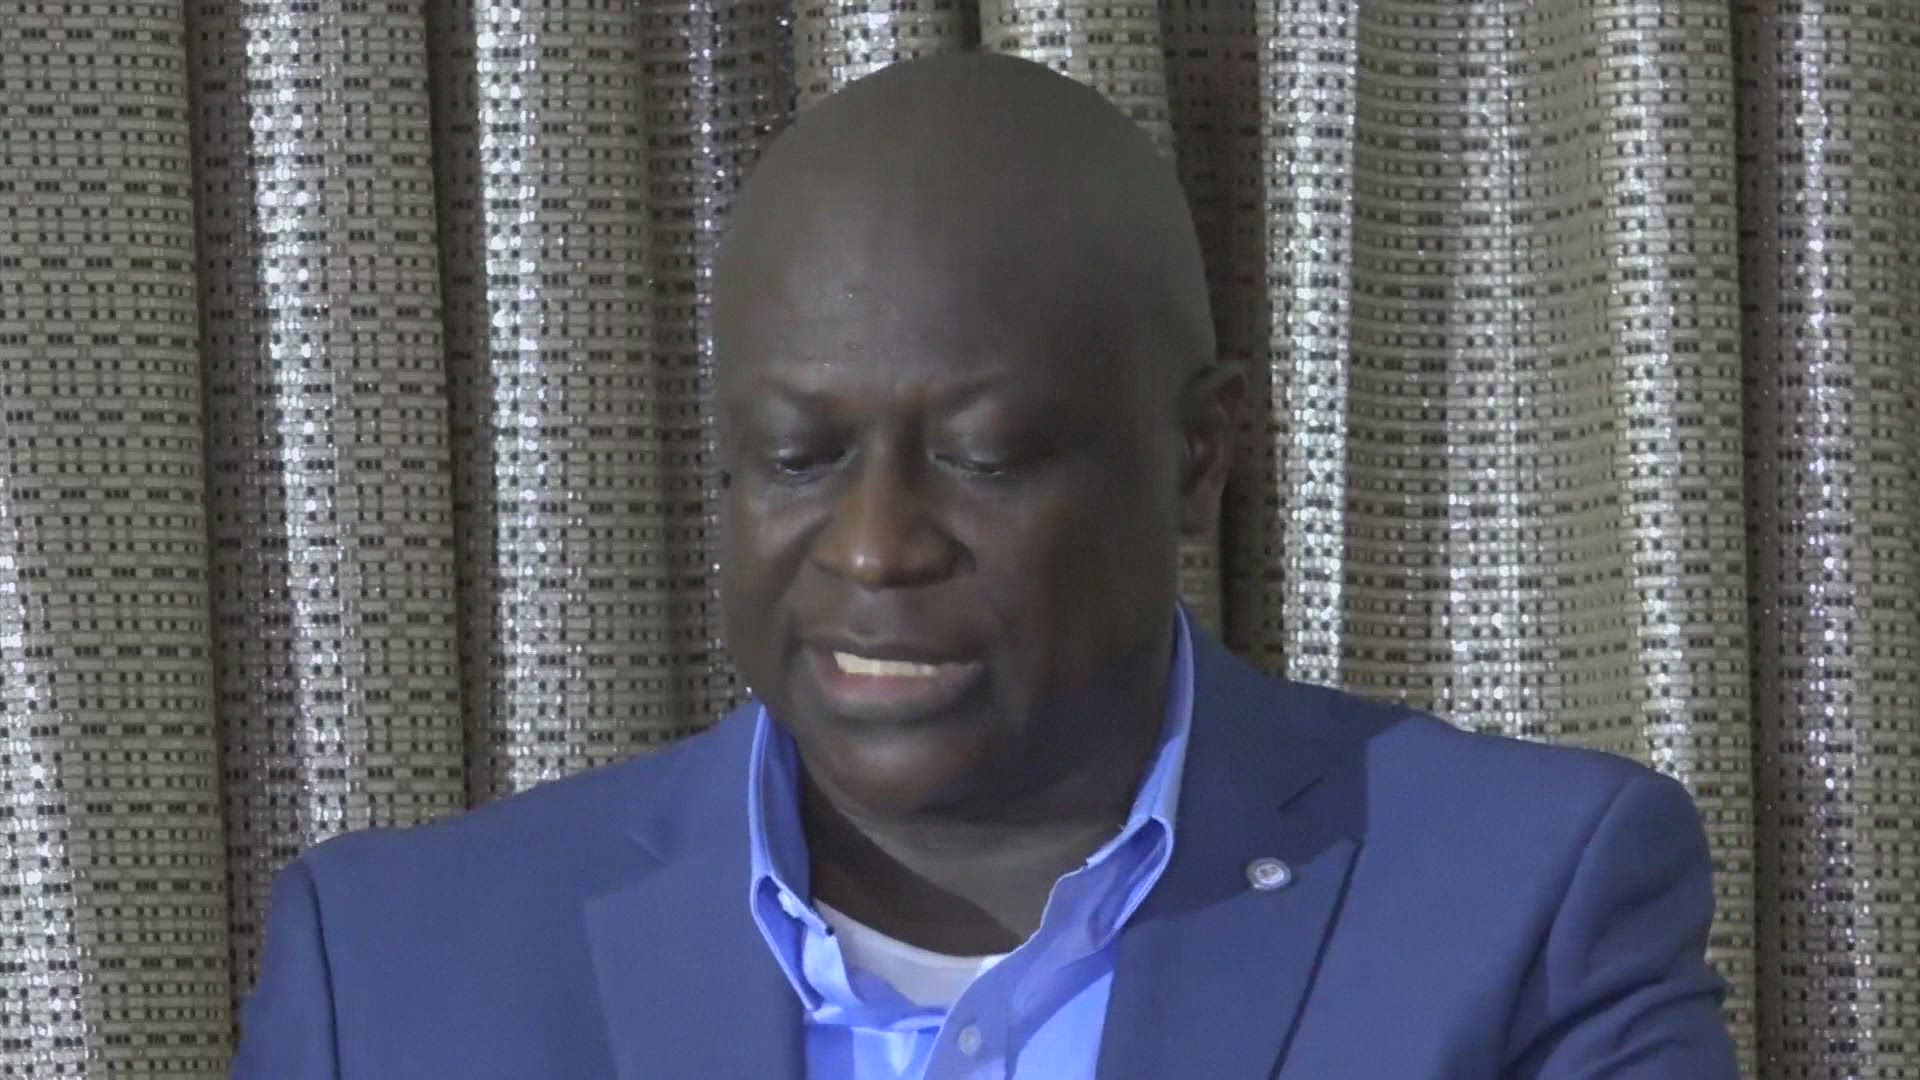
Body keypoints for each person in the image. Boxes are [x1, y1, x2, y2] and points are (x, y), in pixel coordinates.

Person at [232, 52, 1739, 1079]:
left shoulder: (1527, 907)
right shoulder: (395, 973)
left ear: (1201, 451)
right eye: (799, 456)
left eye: (987, 456)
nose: (875, 547)